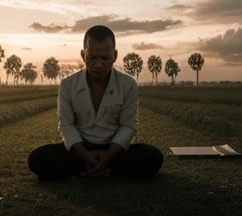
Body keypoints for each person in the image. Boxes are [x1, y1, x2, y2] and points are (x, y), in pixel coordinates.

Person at [27, 24, 164, 180]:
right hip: (79, 149)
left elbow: (128, 125)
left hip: (114, 149)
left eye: (105, 58)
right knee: (37, 159)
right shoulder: (68, 84)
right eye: (92, 58)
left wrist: (108, 156)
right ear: (83, 55)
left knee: (152, 156)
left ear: (115, 55)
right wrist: (84, 154)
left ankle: (89, 171)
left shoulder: (128, 84)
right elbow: (66, 124)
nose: (98, 65)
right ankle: (103, 170)